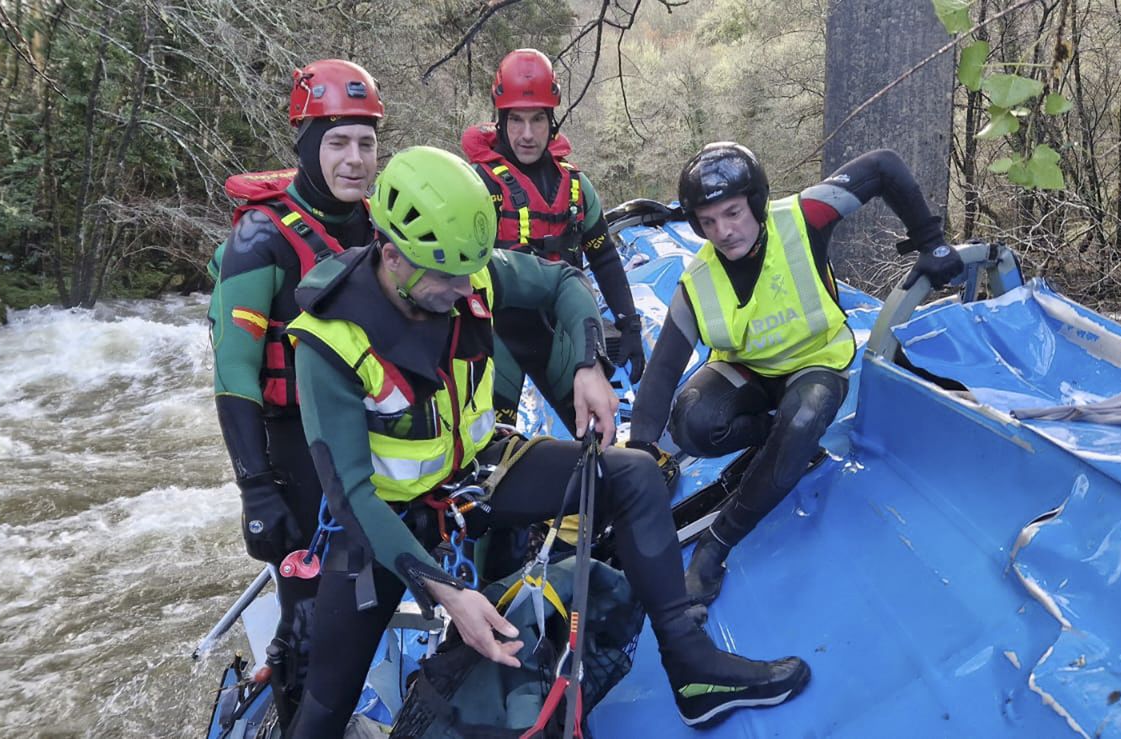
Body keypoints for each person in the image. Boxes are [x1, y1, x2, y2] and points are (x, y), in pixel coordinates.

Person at [283, 146, 811, 734]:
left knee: (634, 473)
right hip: (387, 521)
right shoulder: (328, 340)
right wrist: (450, 593)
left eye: (468, 273)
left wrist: (588, 364)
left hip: (475, 476)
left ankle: (692, 669)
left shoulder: (467, 268)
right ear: (393, 257)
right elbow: (352, 494)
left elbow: (561, 281)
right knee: (326, 701)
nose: (465, 288)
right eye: (448, 279)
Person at [625, 143, 964, 607]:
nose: (723, 232)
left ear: (756, 202)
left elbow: (882, 164)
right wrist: (639, 455)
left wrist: (931, 242)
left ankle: (718, 543)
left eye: (733, 213)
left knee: (802, 418)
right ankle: (784, 444)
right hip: (750, 371)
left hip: (816, 361)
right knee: (691, 422)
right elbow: (662, 372)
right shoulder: (697, 281)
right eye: (708, 222)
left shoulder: (804, 217)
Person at [205, 58, 382, 724]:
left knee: (365, 588)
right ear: (306, 144)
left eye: (366, 142)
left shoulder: (379, 222)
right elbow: (235, 373)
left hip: (363, 433)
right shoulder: (260, 240)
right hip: (289, 444)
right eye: (338, 141)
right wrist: (256, 487)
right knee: (311, 614)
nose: (355, 158)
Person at [460, 48, 645, 428]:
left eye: (538, 120)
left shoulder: (576, 186)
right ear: (500, 121)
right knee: (490, 446)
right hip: (496, 336)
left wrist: (629, 324)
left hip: (558, 332)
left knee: (595, 432)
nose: (527, 134)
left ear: (552, 121)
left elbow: (604, 257)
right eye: (516, 120)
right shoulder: (476, 187)